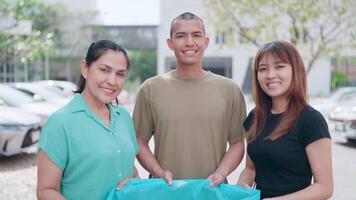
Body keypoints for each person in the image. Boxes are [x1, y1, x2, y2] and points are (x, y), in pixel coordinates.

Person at [133, 12, 246, 187]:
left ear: (206, 42)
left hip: (212, 192)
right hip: (165, 193)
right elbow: (139, 142)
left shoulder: (230, 90)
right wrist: (158, 172)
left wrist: (221, 173)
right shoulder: (150, 89)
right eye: (181, 36)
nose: (189, 42)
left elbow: (237, 143)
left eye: (196, 35)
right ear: (170, 43)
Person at [37, 40, 140, 200]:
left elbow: (128, 166)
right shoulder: (60, 123)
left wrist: (134, 183)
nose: (112, 81)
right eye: (104, 70)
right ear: (85, 69)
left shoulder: (124, 117)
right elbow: (46, 191)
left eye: (120, 74)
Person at [237, 41, 333, 199]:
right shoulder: (255, 116)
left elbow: (324, 187)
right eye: (262, 69)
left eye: (279, 66)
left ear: (295, 71)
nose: (270, 75)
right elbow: (250, 168)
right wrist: (242, 187)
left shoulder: (311, 120)